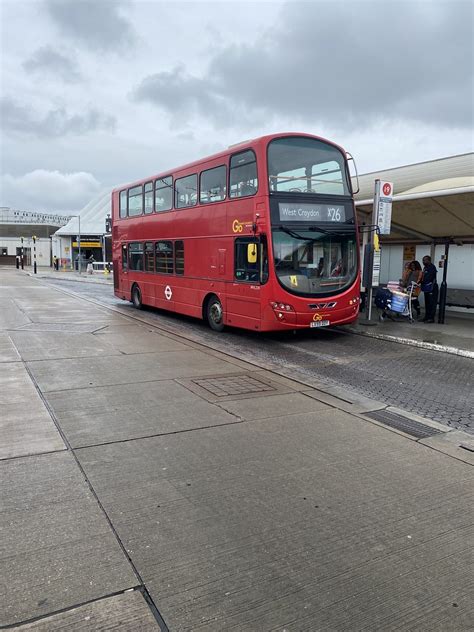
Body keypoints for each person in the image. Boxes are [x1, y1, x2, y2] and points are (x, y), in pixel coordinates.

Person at [421, 255, 438, 322]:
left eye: (425, 260)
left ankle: (431, 318)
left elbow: (429, 278)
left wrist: (423, 281)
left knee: (432, 303)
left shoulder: (432, 267)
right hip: (426, 288)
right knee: (427, 303)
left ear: (429, 260)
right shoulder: (425, 267)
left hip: (432, 288)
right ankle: (426, 317)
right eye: (423, 260)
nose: (423, 261)